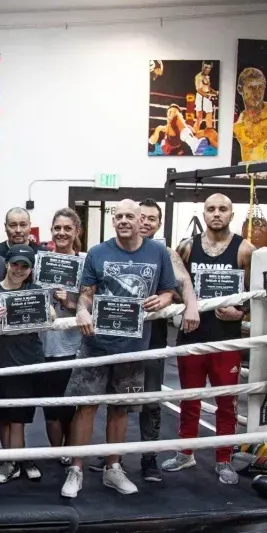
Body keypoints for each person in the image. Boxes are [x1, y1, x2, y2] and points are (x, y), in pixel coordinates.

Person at [60, 199, 176, 498]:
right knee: (85, 407)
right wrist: (82, 311)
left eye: (130, 216)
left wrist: (163, 301)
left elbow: (167, 291)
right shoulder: (98, 253)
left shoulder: (158, 252)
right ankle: (76, 468)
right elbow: (86, 294)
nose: (124, 220)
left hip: (133, 344)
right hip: (96, 343)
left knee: (121, 409)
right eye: (119, 215)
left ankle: (113, 467)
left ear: (141, 220)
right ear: (113, 220)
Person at [95, 200, 198, 482]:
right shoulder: (112, 250)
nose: (146, 223)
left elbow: (183, 283)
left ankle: (148, 457)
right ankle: (111, 456)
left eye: (152, 219)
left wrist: (190, 305)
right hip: (118, 335)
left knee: (150, 398)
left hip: (151, 337)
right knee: (113, 398)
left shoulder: (164, 253)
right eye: (144, 218)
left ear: (158, 223)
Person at [161, 193, 256, 485]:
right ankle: (185, 451)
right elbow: (174, 285)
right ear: (203, 214)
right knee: (189, 398)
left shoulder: (245, 250)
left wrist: (240, 314)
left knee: (226, 402)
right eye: (211, 209)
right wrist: (188, 302)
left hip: (226, 340)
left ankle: (223, 458)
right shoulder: (187, 247)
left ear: (232, 213)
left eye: (223, 209)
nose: (217, 214)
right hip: (192, 335)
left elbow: (257, 294)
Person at [0, 245, 46, 483]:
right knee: (2, 415)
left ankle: (12, 461)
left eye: (25, 266)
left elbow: (49, 312)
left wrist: (44, 311)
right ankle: (17, 458)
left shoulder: (34, 290)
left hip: (25, 361)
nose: (19, 269)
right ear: (7, 264)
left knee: (18, 415)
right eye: (15, 264)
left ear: (30, 270)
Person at [39, 209, 84, 464]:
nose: (62, 233)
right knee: (52, 408)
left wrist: (69, 302)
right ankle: (59, 455)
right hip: (46, 346)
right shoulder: (41, 262)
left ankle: (73, 451)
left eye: (68, 228)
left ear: (77, 231)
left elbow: (92, 302)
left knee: (74, 408)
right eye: (57, 228)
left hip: (76, 346)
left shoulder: (86, 262)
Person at [194, 61, 218, 132]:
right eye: (205, 67)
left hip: (207, 97)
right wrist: (208, 96)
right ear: (202, 67)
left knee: (209, 115)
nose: (207, 69)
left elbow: (209, 88)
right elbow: (199, 90)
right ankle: (194, 134)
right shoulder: (198, 77)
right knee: (199, 117)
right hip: (201, 97)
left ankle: (210, 134)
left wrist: (216, 92)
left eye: (209, 68)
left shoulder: (207, 77)